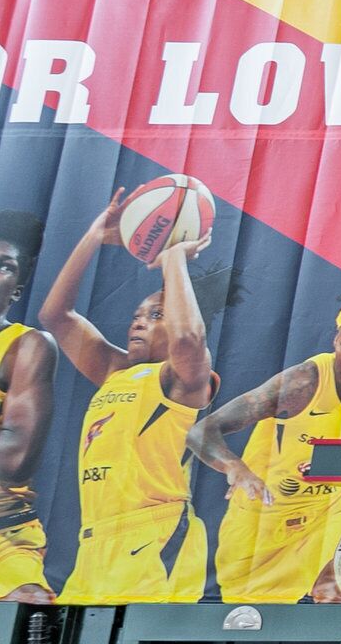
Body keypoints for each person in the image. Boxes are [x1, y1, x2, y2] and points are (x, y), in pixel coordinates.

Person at [45, 190, 223, 603]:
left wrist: (174, 260)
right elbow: (56, 316)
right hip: (95, 540)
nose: (140, 323)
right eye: (137, 316)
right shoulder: (115, 369)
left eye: (155, 315)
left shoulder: (183, 377)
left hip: (154, 533)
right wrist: (92, 237)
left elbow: (187, 337)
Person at [196, 300, 341, 603]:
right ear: (335, 342)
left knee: (338, 593)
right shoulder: (304, 381)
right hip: (267, 518)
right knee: (245, 610)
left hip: (334, 510)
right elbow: (203, 431)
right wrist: (236, 468)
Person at [0, 212, 62, 603]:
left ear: (16, 290)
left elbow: (15, 456)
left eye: (3, 267)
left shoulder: (26, 346)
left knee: (31, 615)